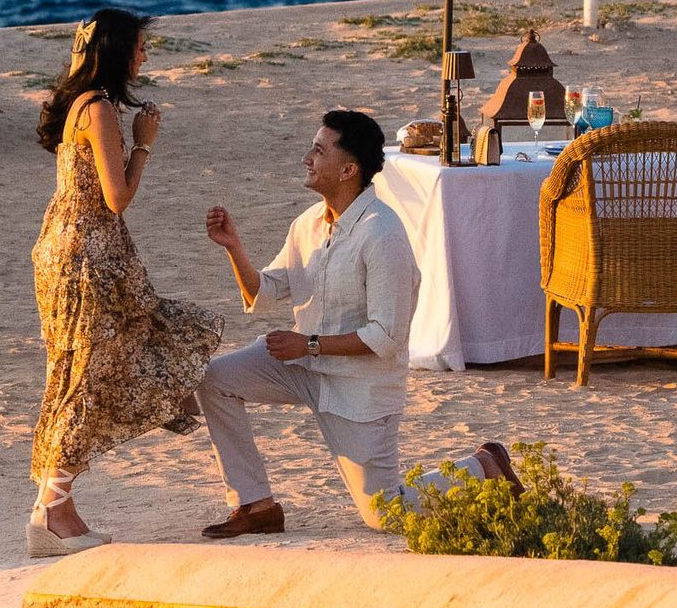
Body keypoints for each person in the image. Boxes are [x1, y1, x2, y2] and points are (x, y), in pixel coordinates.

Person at [198, 109, 516, 538]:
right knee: (214, 378)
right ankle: (256, 505)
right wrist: (234, 249)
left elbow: (386, 337)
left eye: (318, 151)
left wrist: (307, 344)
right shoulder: (307, 223)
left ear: (348, 169)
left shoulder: (382, 235)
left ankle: (486, 465)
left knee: (386, 515)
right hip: (302, 366)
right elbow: (266, 291)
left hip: (359, 389)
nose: (306, 159)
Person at [28, 7, 221, 558]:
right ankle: (53, 511)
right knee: (88, 378)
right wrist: (144, 143)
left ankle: (52, 506)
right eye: (138, 47)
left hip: (65, 249)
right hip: (89, 255)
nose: (144, 56)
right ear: (116, 52)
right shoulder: (101, 111)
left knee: (76, 372)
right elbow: (117, 197)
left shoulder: (78, 105)